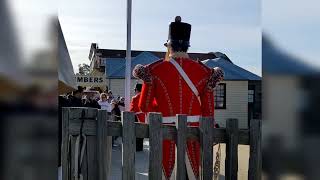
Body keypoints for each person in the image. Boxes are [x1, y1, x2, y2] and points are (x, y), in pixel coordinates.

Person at [133, 16, 224, 179]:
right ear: (187, 46)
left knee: (165, 173)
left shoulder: (155, 70)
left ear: (169, 46)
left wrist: (161, 110)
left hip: (165, 134)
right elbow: (208, 112)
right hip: (193, 134)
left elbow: (144, 106)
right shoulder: (204, 72)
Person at [130, 83, 146, 151]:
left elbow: (132, 109)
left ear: (136, 90)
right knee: (142, 132)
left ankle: (137, 147)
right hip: (145, 116)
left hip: (137, 116)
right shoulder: (145, 96)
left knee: (136, 132)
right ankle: (140, 147)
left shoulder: (135, 98)